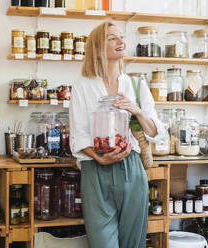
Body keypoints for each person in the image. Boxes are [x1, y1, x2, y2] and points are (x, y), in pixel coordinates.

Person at [69, 21, 165, 248]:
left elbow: (154, 132)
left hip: (132, 167)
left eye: (121, 37)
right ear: (97, 50)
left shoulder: (136, 84)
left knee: (134, 242)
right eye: (112, 38)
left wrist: (136, 110)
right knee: (102, 243)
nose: (121, 42)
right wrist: (99, 157)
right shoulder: (83, 86)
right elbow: (78, 134)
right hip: (95, 169)